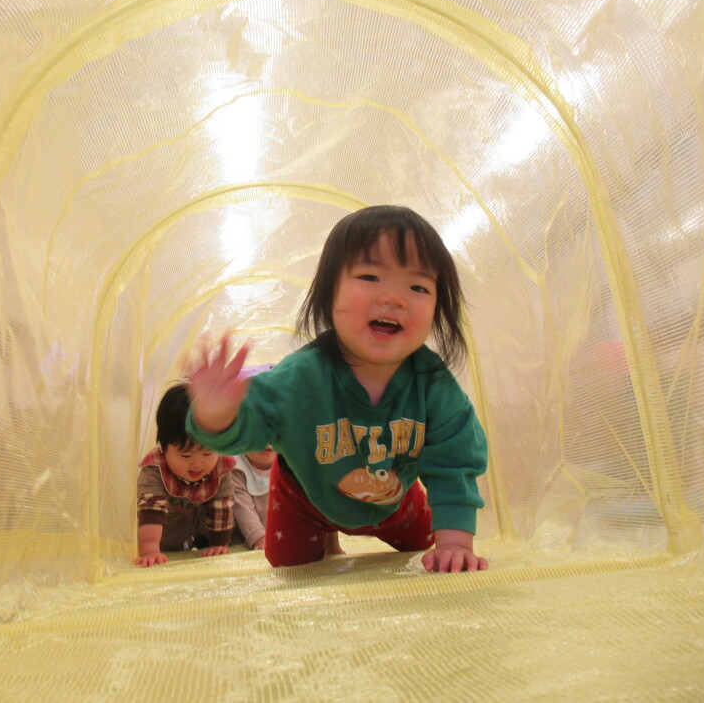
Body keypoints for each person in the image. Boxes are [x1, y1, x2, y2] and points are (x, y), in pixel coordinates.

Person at [185, 205, 488, 572]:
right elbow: (250, 426)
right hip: (305, 497)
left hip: (392, 496)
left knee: (427, 546)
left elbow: (454, 461)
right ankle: (326, 533)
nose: (394, 297)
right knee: (288, 566)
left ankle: (376, 524)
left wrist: (455, 543)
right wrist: (217, 415)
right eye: (370, 276)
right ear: (329, 295)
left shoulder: (434, 385)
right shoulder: (300, 378)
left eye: (418, 286)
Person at [135, 383, 237, 566]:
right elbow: (151, 512)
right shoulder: (155, 470)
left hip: (201, 528)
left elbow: (222, 508)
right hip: (162, 535)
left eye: (207, 453)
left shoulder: (220, 468)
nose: (198, 464)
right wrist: (150, 550)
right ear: (164, 447)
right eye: (186, 455)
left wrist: (219, 544)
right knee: (165, 552)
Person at [230, 446, 276, 550]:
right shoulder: (236, 470)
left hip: (283, 535)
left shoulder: (289, 463)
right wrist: (260, 538)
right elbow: (243, 510)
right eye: (257, 434)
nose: (266, 442)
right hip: (247, 542)